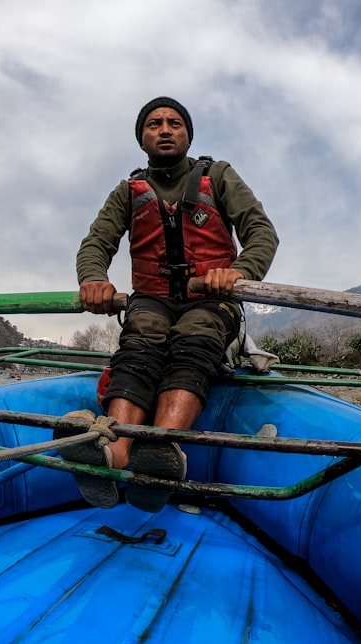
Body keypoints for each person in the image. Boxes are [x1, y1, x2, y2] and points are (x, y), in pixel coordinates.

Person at [66, 96, 279, 512]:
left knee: (194, 336)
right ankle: (119, 451)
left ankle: (162, 450)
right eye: (154, 124)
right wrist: (93, 279)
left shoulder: (217, 176)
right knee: (141, 341)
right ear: (142, 139)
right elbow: (96, 244)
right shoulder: (127, 192)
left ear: (187, 135)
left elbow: (261, 232)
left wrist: (238, 271)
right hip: (151, 301)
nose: (165, 129)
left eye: (175, 123)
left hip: (212, 300)